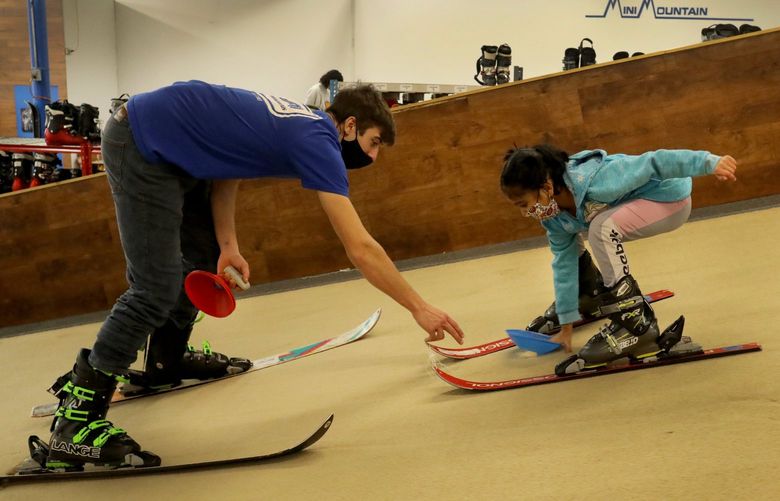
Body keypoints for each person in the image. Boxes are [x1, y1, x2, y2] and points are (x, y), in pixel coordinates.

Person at [44, 80, 464, 469]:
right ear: (350, 125)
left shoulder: (300, 121)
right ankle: (75, 421)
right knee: (154, 287)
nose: (372, 158)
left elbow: (229, 166)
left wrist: (227, 244)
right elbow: (361, 247)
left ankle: (166, 361)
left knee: (203, 256)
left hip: (173, 143)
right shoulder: (318, 138)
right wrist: (419, 308)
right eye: (373, 144)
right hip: (142, 142)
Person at [499, 145, 737, 375]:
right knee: (597, 231)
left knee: (601, 229)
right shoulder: (554, 219)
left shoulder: (597, 179)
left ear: (547, 186)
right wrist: (567, 322)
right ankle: (589, 292)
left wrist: (709, 162)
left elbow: (655, 161)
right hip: (640, 209)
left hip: (669, 199)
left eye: (524, 204)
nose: (525, 213)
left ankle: (634, 323)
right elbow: (564, 263)